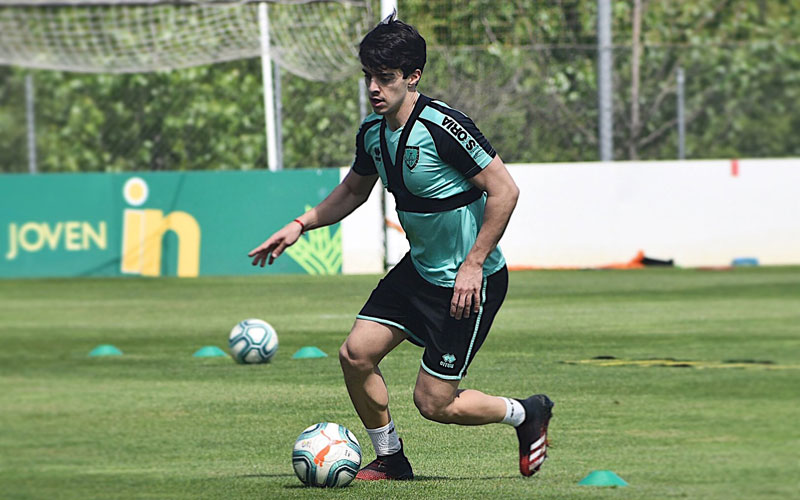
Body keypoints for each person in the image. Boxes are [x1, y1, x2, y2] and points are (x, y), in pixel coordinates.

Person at [248, 12, 553, 480]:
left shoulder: (445, 128)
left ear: (413, 77)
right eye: (369, 76)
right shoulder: (372, 134)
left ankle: (525, 412)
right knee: (355, 353)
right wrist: (301, 224)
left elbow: (505, 190)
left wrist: (473, 264)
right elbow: (352, 191)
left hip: (469, 282)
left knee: (435, 404)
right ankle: (391, 459)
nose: (374, 87)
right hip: (419, 272)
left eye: (385, 78)